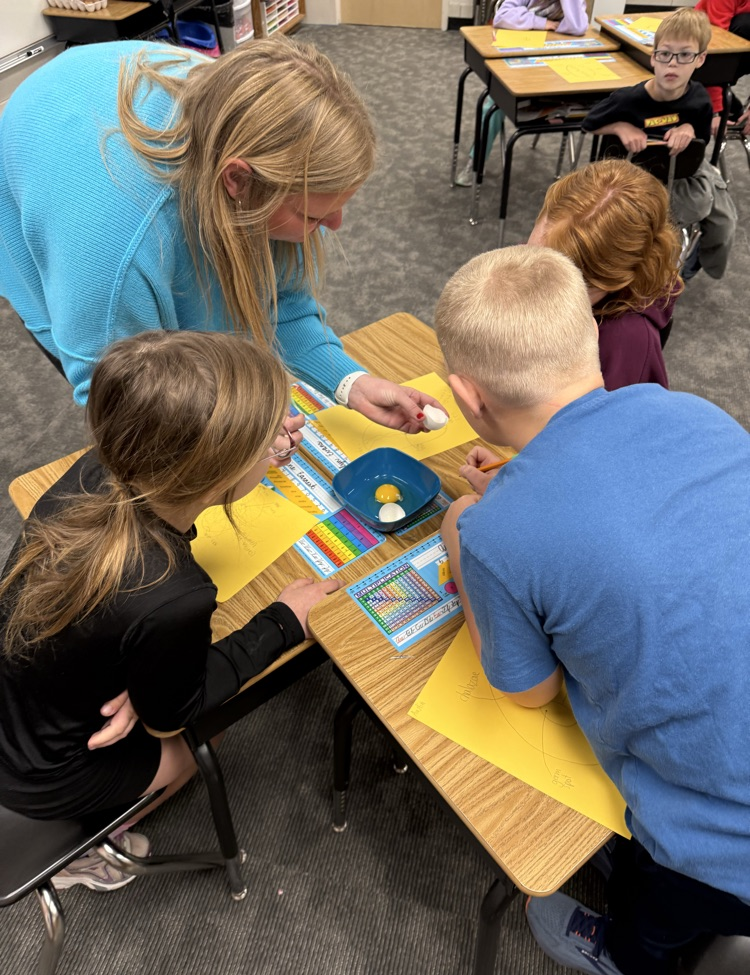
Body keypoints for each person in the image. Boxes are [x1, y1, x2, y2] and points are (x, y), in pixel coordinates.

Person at [434, 244, 750, 975]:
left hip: (719, 845)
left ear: (465, 396)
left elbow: (529, 692)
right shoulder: (698, 413)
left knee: (656, 908)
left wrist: (461, 530)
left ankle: (633, 966)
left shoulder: (494, 534)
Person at [0, 329, 339, 891]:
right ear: (220, 470)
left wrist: (141, 674)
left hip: (21, 705)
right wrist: (282, 620)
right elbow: (174, 713)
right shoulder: (177, 595)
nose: (280, 443)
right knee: (211, 732)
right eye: (266, 441)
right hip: (45, 774)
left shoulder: (93, 471)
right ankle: (90, 847)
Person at [0, 36, 441, 438]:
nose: (336, 225)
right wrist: (220, 434)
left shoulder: (258, 146)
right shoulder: (114, 252)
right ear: (237, 180)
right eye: (311, 215)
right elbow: (120, 395)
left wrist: (351, 383)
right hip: (58, 172)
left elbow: (279, 303)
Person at [582, 8, 737, 281]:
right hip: (637, 178)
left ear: (700, 59)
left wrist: (689, 128)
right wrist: (621, 126)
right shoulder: (628, 99)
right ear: (653, 58)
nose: (672, 64)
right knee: (654, 229)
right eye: (665, 54)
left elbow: (702, 135)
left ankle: (696, 262)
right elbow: (589, 123)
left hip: (684, 173)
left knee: (725, 223)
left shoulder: (699, 98)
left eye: (685, 55)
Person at [528, 160, 682, 390]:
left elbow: (618, 423)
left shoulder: (627, 345)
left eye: (556, 285)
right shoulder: (551, 247)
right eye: (531, 256)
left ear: (611, 281)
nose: (532, 286)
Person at [454, 0, 588, 186]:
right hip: (520, 62)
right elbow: (502, 17)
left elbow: (578, 26)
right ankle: (476, 161)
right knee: (493, 104)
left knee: (586, 97)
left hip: (555, 67)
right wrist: (543, 23)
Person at [694, 0, 750, 134]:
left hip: (729, 63)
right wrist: (715, 110)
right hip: (700, 57)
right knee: (746, 24)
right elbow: (715, 49)